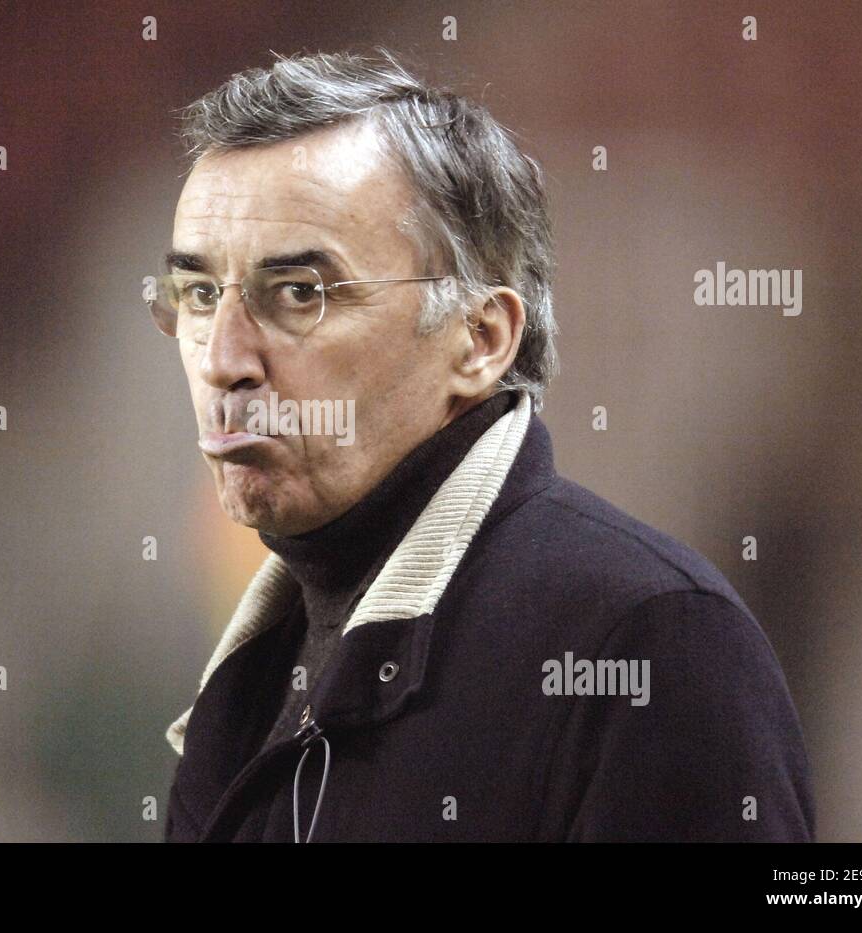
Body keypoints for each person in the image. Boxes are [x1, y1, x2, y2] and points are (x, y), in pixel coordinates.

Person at [148, 48, 815, 842]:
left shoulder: (651, 645)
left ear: (480, 337)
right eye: (198, 294)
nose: (224, 358)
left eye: (300, 293)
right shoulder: (251, 682)